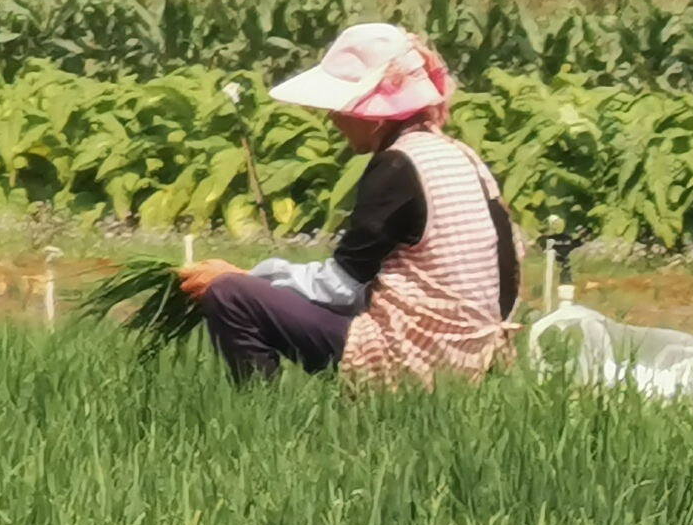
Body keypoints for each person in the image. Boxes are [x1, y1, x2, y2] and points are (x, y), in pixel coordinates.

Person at [184, 24, 517, 384]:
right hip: (475, 354)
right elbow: (508, 268)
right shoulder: (460, 156)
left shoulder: (397, 166)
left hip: (417, 357)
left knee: (231, 296)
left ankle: (259, 418)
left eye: (342, 108)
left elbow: (341, 287)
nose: (333, 118)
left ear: (373, 116)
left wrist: (247, 277)